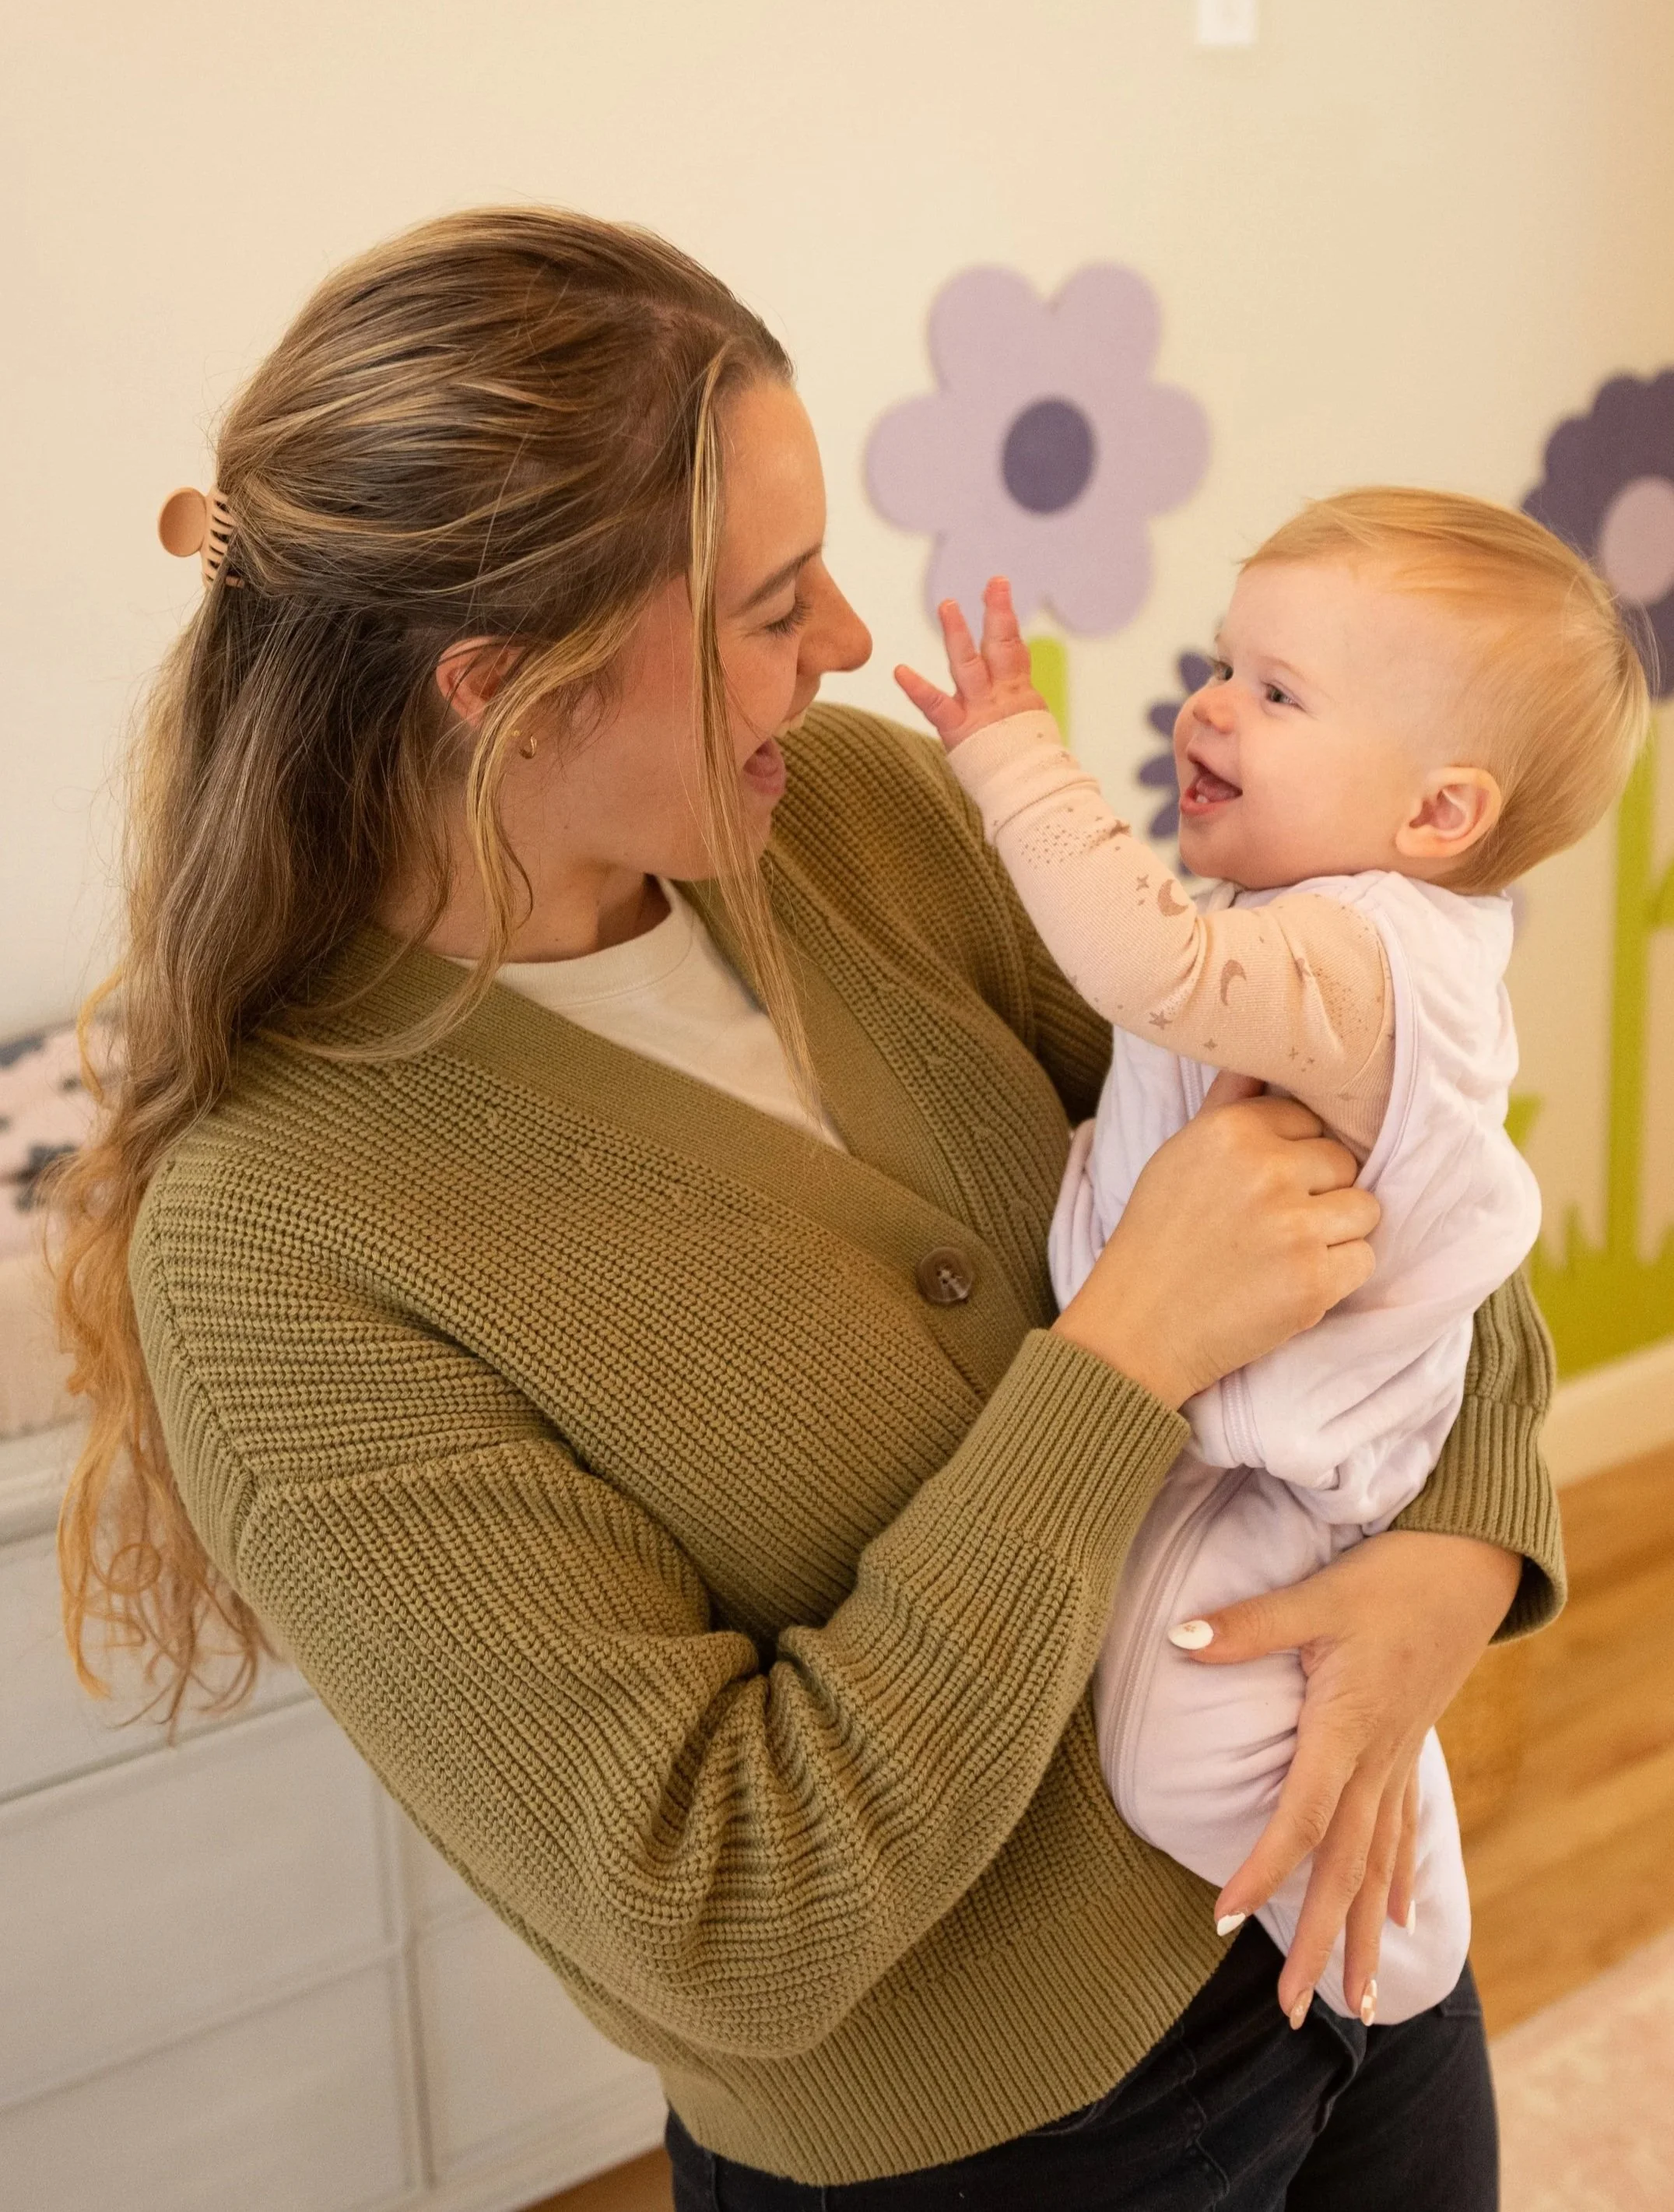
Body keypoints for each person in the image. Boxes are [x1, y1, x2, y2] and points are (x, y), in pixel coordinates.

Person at [54, 211, 1561, 2210]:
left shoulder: (859, 814)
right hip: (1001, 2148)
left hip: (1348, 1955)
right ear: (508, 691)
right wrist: (1116, 1359)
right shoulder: (283, 1246)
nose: (847, 643)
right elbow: (724, 1913)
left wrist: (1450, 1568)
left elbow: (1409, 1177)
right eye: (772, 605)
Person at [898, 512, 1646, 2029]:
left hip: (1292, 1467)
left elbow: (1149, 968)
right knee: (1187, 1694)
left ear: (1438, 809)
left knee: (1174, 1745)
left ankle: (1393, 1921)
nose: (1212, 704)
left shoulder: (1369, 962)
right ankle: (1372, 1853)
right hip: (1232, 1432)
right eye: (1227, 663)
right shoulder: (1339, 927)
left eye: (1279, 693)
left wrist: (1010, 756)